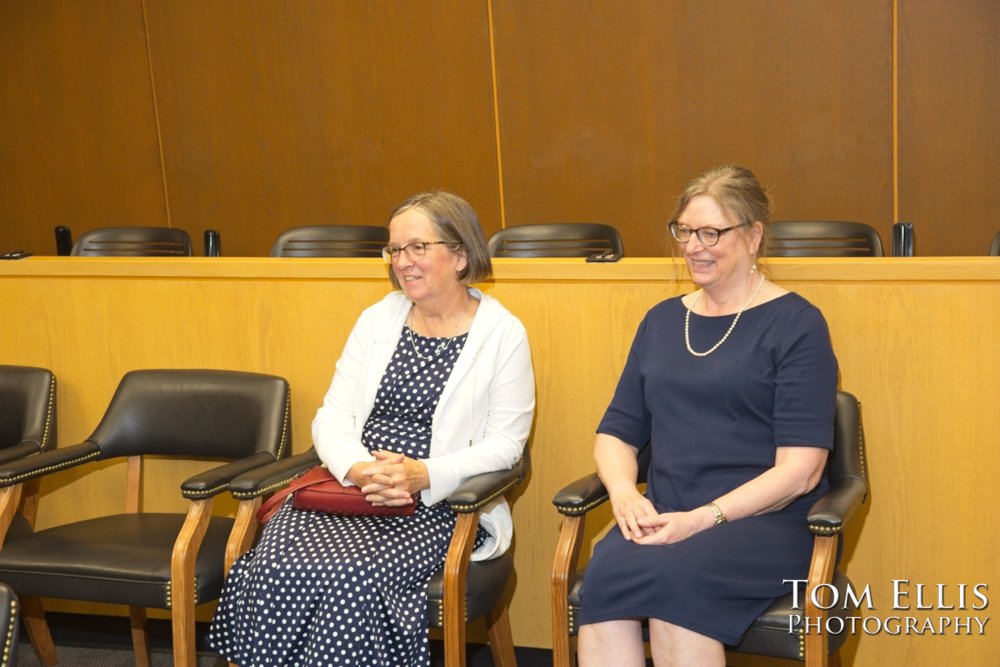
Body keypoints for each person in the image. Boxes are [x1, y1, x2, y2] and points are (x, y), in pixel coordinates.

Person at [208, 191, 535, 666]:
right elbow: (332, 417)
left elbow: (507, 446)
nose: (403, 262)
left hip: (433, 505)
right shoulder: (377, 319)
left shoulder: (503, 334)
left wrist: (423, 474)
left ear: (461, 255)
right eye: (395, 249)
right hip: (349, 489)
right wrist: (359, 469)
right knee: (273, 565)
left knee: (352, 578)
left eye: (418, 247)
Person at [577, 165, 839, 667]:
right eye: (685, 231)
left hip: (765, 522)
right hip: (668, 513)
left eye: (712, 233)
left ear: (754, 235)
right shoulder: (661, 320)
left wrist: (703, 519)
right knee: (608, 570)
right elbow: (616, 432)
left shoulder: (798, 325)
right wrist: (626, 493)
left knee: (679, 580)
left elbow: (800, 470)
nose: (695, 246)